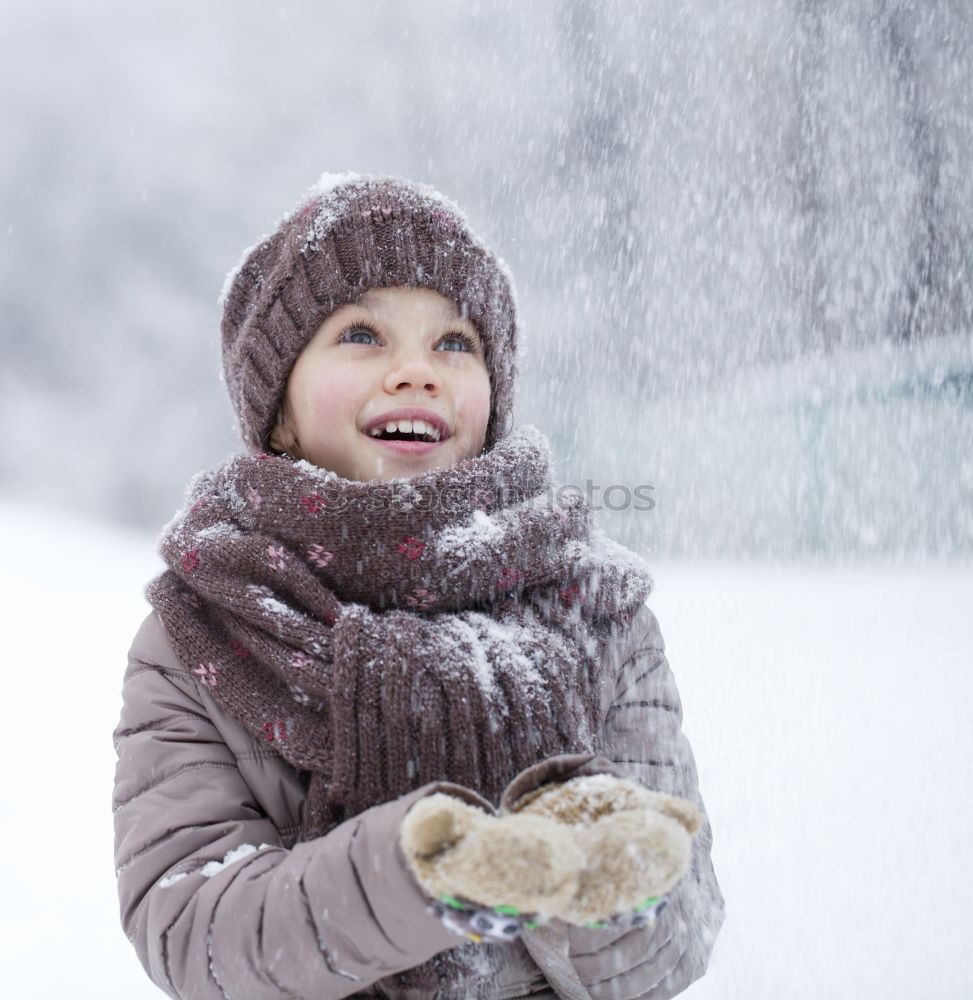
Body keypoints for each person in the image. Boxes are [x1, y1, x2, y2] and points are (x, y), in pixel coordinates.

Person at [113, 173, 724, 1000]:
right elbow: (194, 933)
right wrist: (426, 874)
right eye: (362, 333)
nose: (416, 371)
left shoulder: (596, 611)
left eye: (454, 342)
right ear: (279, 410)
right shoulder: (209, 627)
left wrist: (580, 872)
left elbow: (674, 942)